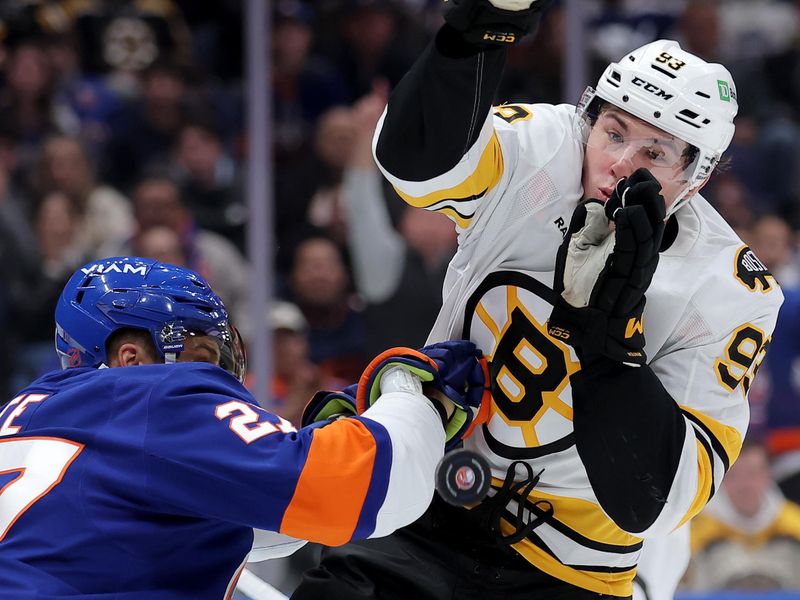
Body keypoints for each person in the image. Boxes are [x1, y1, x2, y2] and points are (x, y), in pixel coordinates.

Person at [293, 1, 783, 599]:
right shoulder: (543, 147)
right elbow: (415, 169)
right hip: (425, 502)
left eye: (654, 154)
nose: (619, 165)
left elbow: (654, 499)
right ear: (590, 119)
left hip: (568, 565)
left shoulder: (731, 290)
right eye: (613, 132)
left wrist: (612, 348)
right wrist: (470, 42)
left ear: (697, 176)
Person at [0, 255, 487, 599]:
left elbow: (202, 521)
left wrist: (310, 446)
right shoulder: (151, 397)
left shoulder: (21, 414)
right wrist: (410, 392)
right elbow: (359, 489)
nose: (213, 376)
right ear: (130, 357)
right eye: (202, 355)